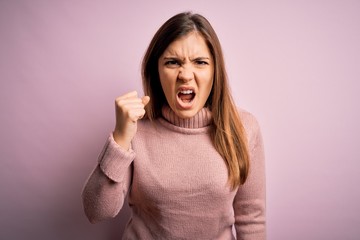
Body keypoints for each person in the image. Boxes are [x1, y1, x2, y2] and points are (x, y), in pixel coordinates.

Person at [82, 11, 266, 240]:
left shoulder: (244, 128)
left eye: (200, 62)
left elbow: (251, 219)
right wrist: (120, 138)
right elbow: (97, 211)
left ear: (215, 71)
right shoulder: (135, 129)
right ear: (157, 71)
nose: (185, 75)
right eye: (172, 62)